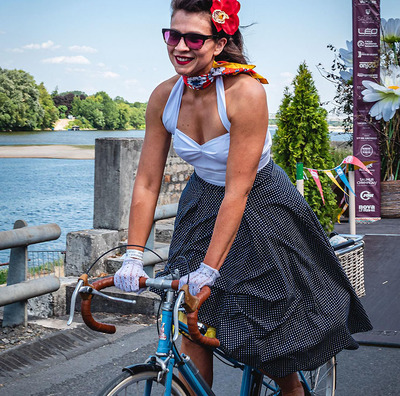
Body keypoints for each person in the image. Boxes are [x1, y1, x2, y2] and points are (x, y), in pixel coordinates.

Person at [114, 1, 372, 395]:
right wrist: (133, 254)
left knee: (266, 324)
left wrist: (210, 270)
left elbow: (239, 188)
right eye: (173, 35)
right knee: (190, 314)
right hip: (202, 200)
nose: (180, 46)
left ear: (218, 43)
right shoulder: (163, 97)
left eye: (194, 38)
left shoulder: (245, 92)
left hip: (261, 201)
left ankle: (291, 388)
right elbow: (147, 183)